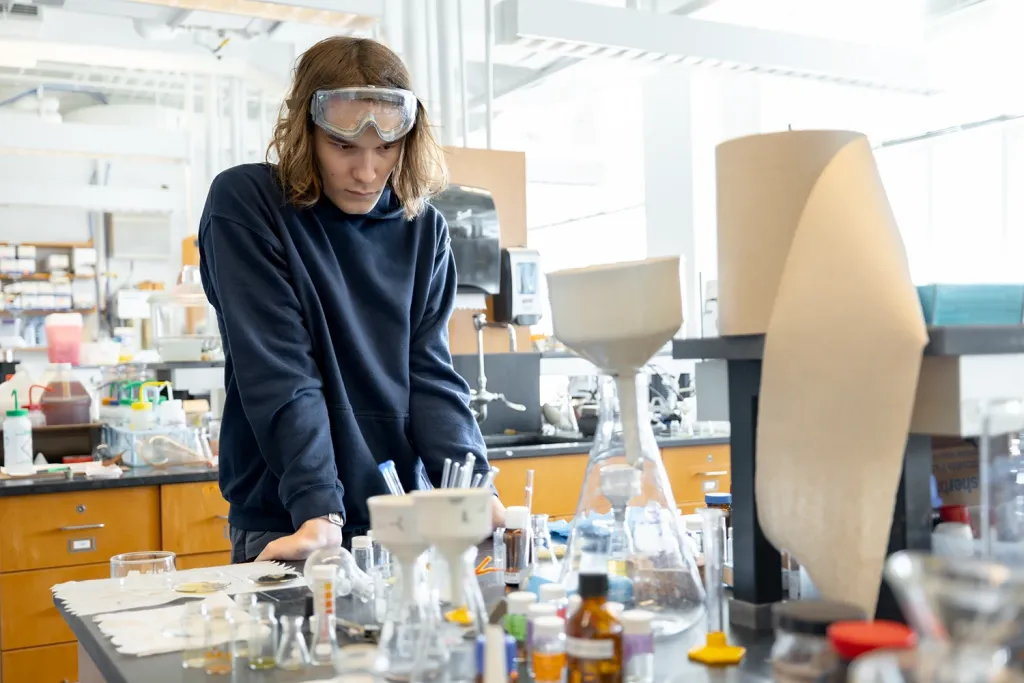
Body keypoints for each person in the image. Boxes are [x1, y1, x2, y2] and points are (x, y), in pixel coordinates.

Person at [199, 36, 505, 563]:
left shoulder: (423, 228)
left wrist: (477, 487)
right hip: (291, 520)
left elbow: (429, 374)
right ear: (306, 132)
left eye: (385, 148)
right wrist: (319, 511)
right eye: (344, 147)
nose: (367, 172)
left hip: (399, 519)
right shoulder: (247, 205)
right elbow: (282, 372)